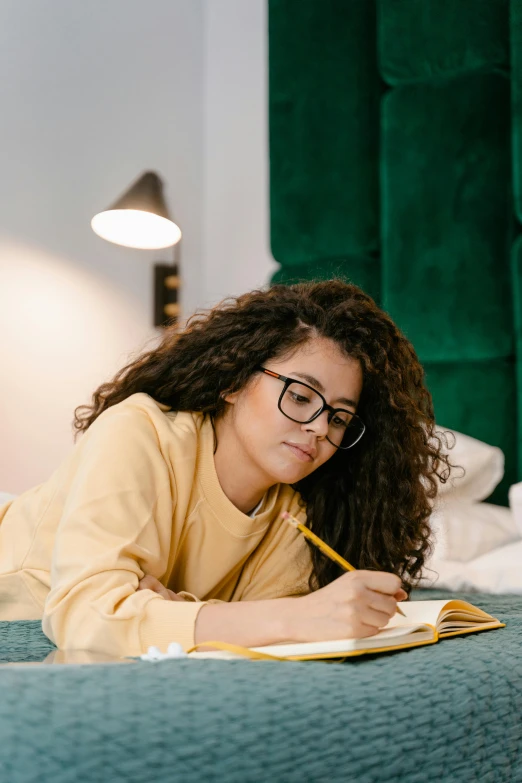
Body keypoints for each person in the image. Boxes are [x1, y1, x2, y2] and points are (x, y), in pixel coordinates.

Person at [0, 280, 451, 656]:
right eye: (299, 396)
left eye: (337, 417)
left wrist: (176, 610)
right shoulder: (140, 432)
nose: (317, 428)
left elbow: (240, 633)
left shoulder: (292, 519)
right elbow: (84, 615)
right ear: (234, 380)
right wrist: (297, 616)